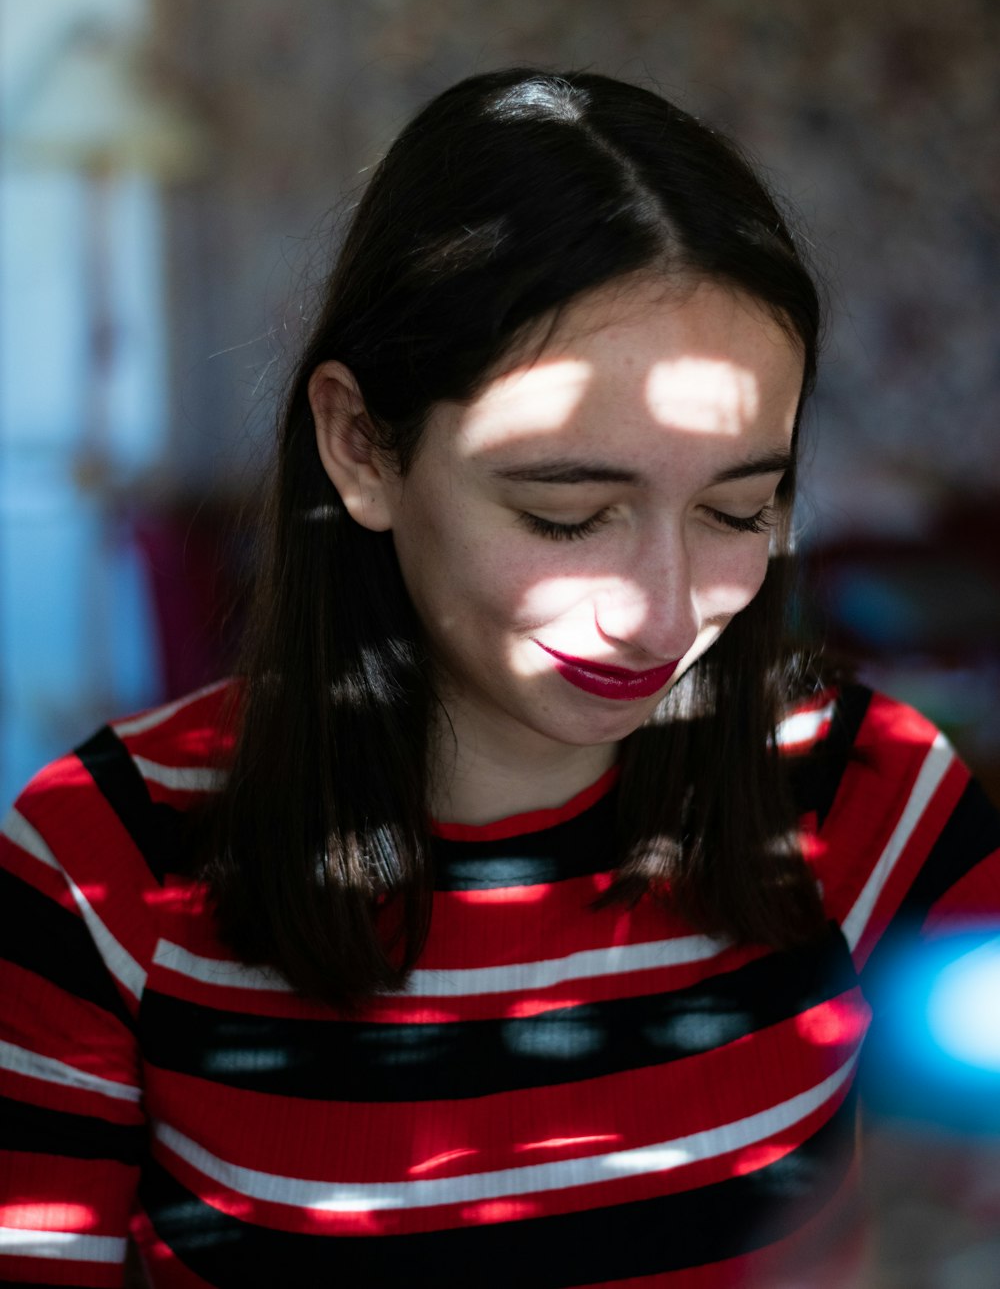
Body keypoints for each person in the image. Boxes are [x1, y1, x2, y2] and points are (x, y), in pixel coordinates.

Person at [1, 69, 998, 1288]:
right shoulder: (97, 867)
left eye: (740, 508)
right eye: (566, 513)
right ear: (360, 447)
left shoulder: (869, 796)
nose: (665, 613)